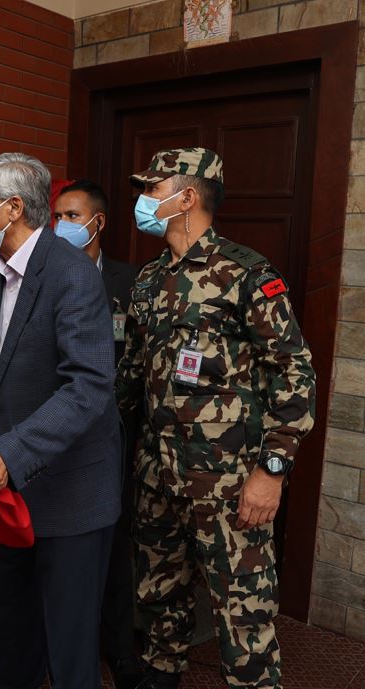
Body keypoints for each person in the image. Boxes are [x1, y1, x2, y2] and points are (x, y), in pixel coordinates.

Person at [115, 148, 316, 689]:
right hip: (158, 480)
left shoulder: (246, 274)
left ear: (187, 198)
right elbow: (129, 380)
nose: (143, 200)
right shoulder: (149, 280)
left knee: (244, 619)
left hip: (229, 486)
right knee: (158, 605)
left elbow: (294, 375)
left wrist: (271, 471)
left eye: (152, 190)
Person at [0, 153, 122, 688]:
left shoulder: (72, 274)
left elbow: (88, 385)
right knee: (10, 637)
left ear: (12, 208)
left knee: (69, 650)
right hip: (8, 495)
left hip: (71, 495)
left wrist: (8, 454)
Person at [54, 180, 143, 689]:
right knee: (73, 550)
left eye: (72, 216)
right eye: (58, 216)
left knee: (116, 541)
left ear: (98, 221)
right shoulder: (47, 276)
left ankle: (120, 649)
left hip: (117, 433)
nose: (62, 225)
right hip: (65, 433)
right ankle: (72, 649)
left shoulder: (130, 282)